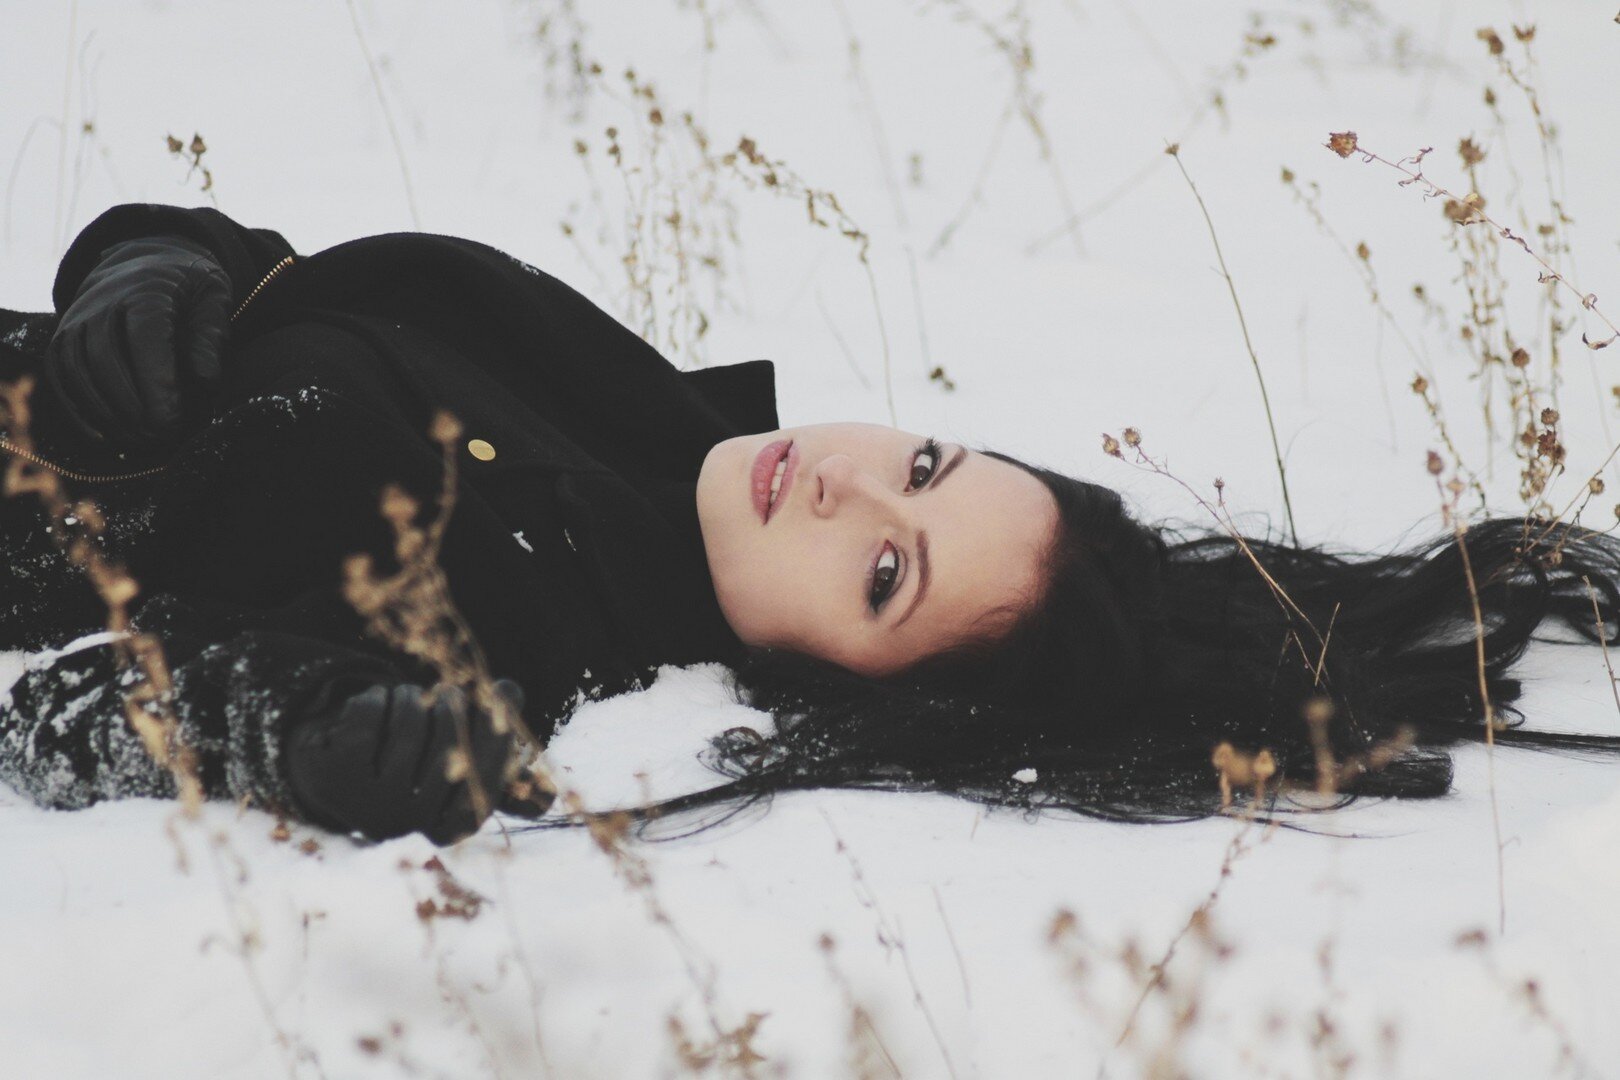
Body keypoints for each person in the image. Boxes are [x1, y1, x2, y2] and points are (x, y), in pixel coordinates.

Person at [2, 204, 1617, 846]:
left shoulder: (532, 645)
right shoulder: (621, 402)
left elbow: (67, 713)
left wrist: (293, 739)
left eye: (886, 573)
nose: (846, 484)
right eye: (924, 462)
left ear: (838, 678)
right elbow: (270, 281)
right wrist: (156, 265)